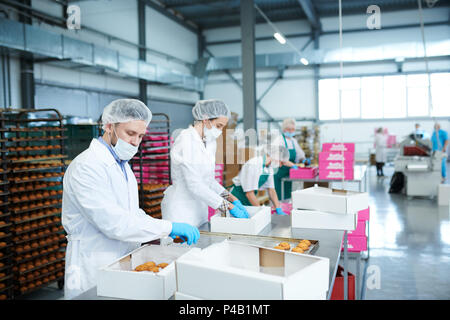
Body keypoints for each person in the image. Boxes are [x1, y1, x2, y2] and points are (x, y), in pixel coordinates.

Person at [62, 99, 200, 300]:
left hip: (121, 258)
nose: (136, 142)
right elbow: (114, 222)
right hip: (92, 262)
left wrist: (161, 231)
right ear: (109, 126)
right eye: (130, 133)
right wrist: (168, 227)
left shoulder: (122, 165)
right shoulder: (86, 167)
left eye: (141, 135)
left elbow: (131, 213)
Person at [161, 99, 249, 228]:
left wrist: (231, 198)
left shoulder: (209, 142)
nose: (219, 131)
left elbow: (209, 181)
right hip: (181, 211)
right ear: (206, 120)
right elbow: (195, 185)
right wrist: (228, 206)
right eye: (218, 126)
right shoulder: (186, 140)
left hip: (199, 210)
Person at [230, 145, 290, 215]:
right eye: (281, 162)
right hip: (237, 197)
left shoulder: (269, 168)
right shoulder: (253, 164)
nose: (280, 166)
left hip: (249, 199)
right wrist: (260, 211)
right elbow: (249, 193)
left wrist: (278, 208)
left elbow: (271, 190)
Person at [273, 118, 307, 200]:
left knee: (288, 195)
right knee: (279, 196)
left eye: (293, 129)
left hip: (289, 173)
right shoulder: (279, 140)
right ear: (284, 129)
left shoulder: (293, 141)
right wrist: (293, 165)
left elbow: (299, 154)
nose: (291, 131)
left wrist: (303, 160)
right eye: (289, 129)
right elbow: (281, 159)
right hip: (279, 173)